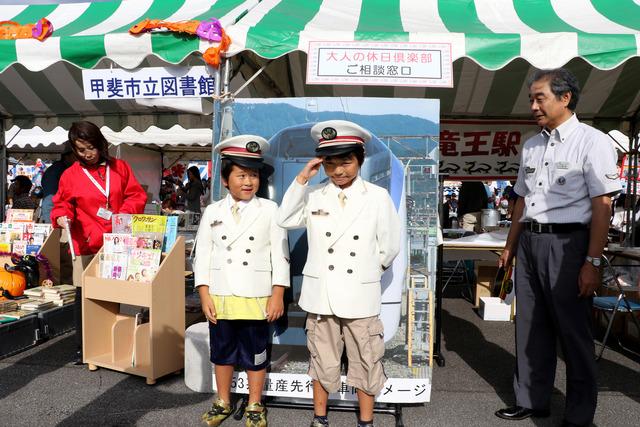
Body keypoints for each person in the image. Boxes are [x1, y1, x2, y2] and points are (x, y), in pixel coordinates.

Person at [495, 68, 620, 427]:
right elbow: (521, 199)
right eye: (531, 99)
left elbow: (603, 206)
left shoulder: (592, 141)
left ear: (565, 98)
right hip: (531, 242)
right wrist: (510, 246)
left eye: (540, 97)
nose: (533, 105)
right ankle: (531, 400)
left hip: (569, 244)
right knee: (530, 326)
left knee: (573, 332)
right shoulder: (532, 144)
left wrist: (592, 261)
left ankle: (579, 415)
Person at [278, 120, 401, 427]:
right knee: (322, 361)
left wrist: (367, 272)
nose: (338, 171)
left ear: (360, 158)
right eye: (330, 164)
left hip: (360, 294)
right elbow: (285, 218)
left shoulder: (377, 196)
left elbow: (389, 246)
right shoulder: (315, 195)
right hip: (323, 296)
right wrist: (303, 179)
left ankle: (366, 421)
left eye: (345, 162)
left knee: (366, 360)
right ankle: (319, 419)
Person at [194, 135, 290, 427]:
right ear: (225, 180)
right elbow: (202, 256)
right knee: (221, 352)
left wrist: (277, 295)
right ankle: (222, 401)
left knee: (256, 353)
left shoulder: (270, 210)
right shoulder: (213, 211)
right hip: (221, 294)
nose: (248, 181)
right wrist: (204, 294)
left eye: (253, 175)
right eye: (241, 175)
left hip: (257, 294)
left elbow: (281, 256)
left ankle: (255, 404)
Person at [51, 121, 147, 365]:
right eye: (81, 150)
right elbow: (62, 203)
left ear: (101, 144)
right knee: (85, 295)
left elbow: (136, 195)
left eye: (91, 148)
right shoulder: (70, 174)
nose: (88, 154)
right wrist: (62, 217)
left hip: (116, 240)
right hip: (85, 241)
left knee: (114, 293)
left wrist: (122, 215)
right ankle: (83, 347)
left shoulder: (120, 168)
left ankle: (115, 343)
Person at [40, 141, 75, 223]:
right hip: (55, 215)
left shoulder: (62, 169)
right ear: (67, 156)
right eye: (76, 156)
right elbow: (51, 198)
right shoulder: (58, 170)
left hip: (59, 215)